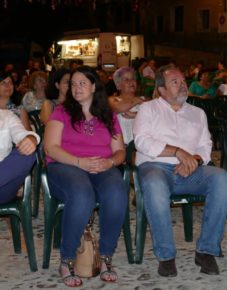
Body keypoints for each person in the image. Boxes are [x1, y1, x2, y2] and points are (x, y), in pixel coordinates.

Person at [133, 64, 227, 277]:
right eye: (175, 82)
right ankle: (166, 255)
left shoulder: (198, 113)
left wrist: (193, 160)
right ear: (161, 90)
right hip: (156, 166)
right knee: (154, 184)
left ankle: (206, 250)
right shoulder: (148, 109)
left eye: (183, 81)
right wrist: (178, 152)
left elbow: (205, 145)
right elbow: (142, 142)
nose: (182, 86)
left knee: (222, 179)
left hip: (191, 169)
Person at [44, 65, 128, 287]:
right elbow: (50, 148)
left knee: (117, 191)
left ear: (93, 86)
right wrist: (80, 162)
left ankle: (106, 256)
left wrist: (109, 162)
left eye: (82, 83)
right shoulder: (61, 112)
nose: (77, 87)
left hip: (101, 166)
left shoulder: (108, 115)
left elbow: (120, 152)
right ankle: (67, 259)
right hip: (65, 166)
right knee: (83, 195)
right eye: (73, 84)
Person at [0, 109, 39, 204]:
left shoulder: (7, 115)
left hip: (4, 182)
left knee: (27, 153)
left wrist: (31, 138)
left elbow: (21, 133)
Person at [109, 66, 144, 145]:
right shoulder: (113, 100)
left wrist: (136, 115)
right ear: (118, 85)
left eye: (133, 79)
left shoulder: (144, 99)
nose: (131, 82)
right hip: (121, 148)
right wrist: (138, 100)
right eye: (126, 79)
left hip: (141, 147)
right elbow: (119, 107)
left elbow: (153, 116)